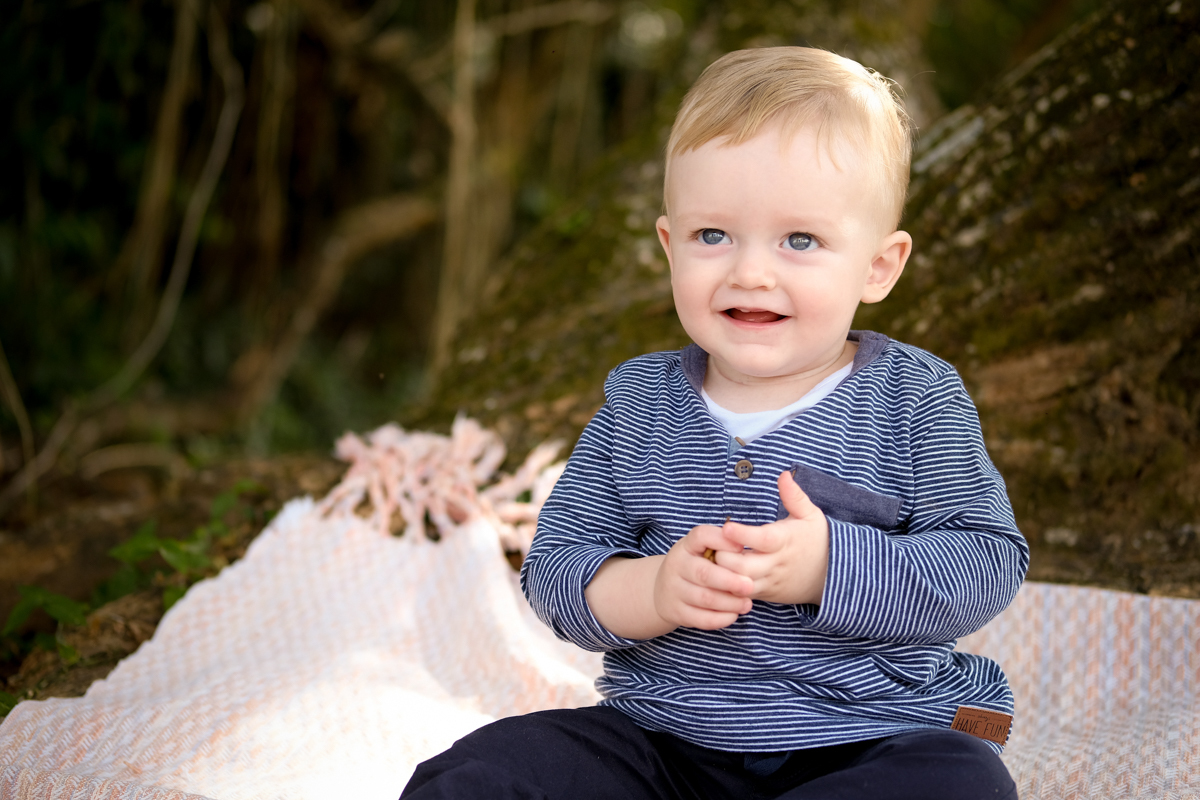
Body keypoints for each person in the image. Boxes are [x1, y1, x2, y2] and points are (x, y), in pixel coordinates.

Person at [401, 46, 1028, 800]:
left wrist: (832, 565)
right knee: (487, 771)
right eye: (713, 236)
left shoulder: (915, 397)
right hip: (667, 739)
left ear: (879, 267)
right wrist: (653, 589)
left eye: (800, 241)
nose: (750, 272)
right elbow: (556, 568)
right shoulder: (640, 407)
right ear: (669, 247)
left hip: (869, 732)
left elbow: (987, 563)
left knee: (965, 779)